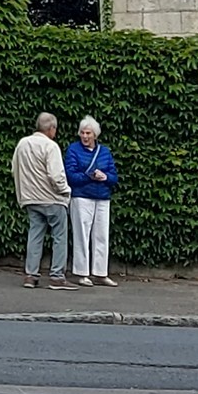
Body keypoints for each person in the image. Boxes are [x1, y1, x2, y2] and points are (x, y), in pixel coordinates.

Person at [12, 112, 69, 288]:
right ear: (51, 128)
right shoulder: (51, 146)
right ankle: (57, 276)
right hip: (52, 199)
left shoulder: (22, 143)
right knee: (59, 236)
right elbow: (56, 175)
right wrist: (66, 191)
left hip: (30, 198)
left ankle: (31, 275)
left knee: (35, 235)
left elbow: (15, 170)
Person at [64, 117, 118, 287]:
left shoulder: (105, 152)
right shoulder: (73, 149)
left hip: (102, 197)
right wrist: (89, 175)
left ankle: (101, 273)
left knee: (101, 235)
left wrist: (105, 177)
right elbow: (70, 175)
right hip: (81, 197)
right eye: (82, 133)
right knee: (82, 235)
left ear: (95, 135)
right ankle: (82, 273)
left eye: (88, 133)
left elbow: (114, 177)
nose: (85, 136)